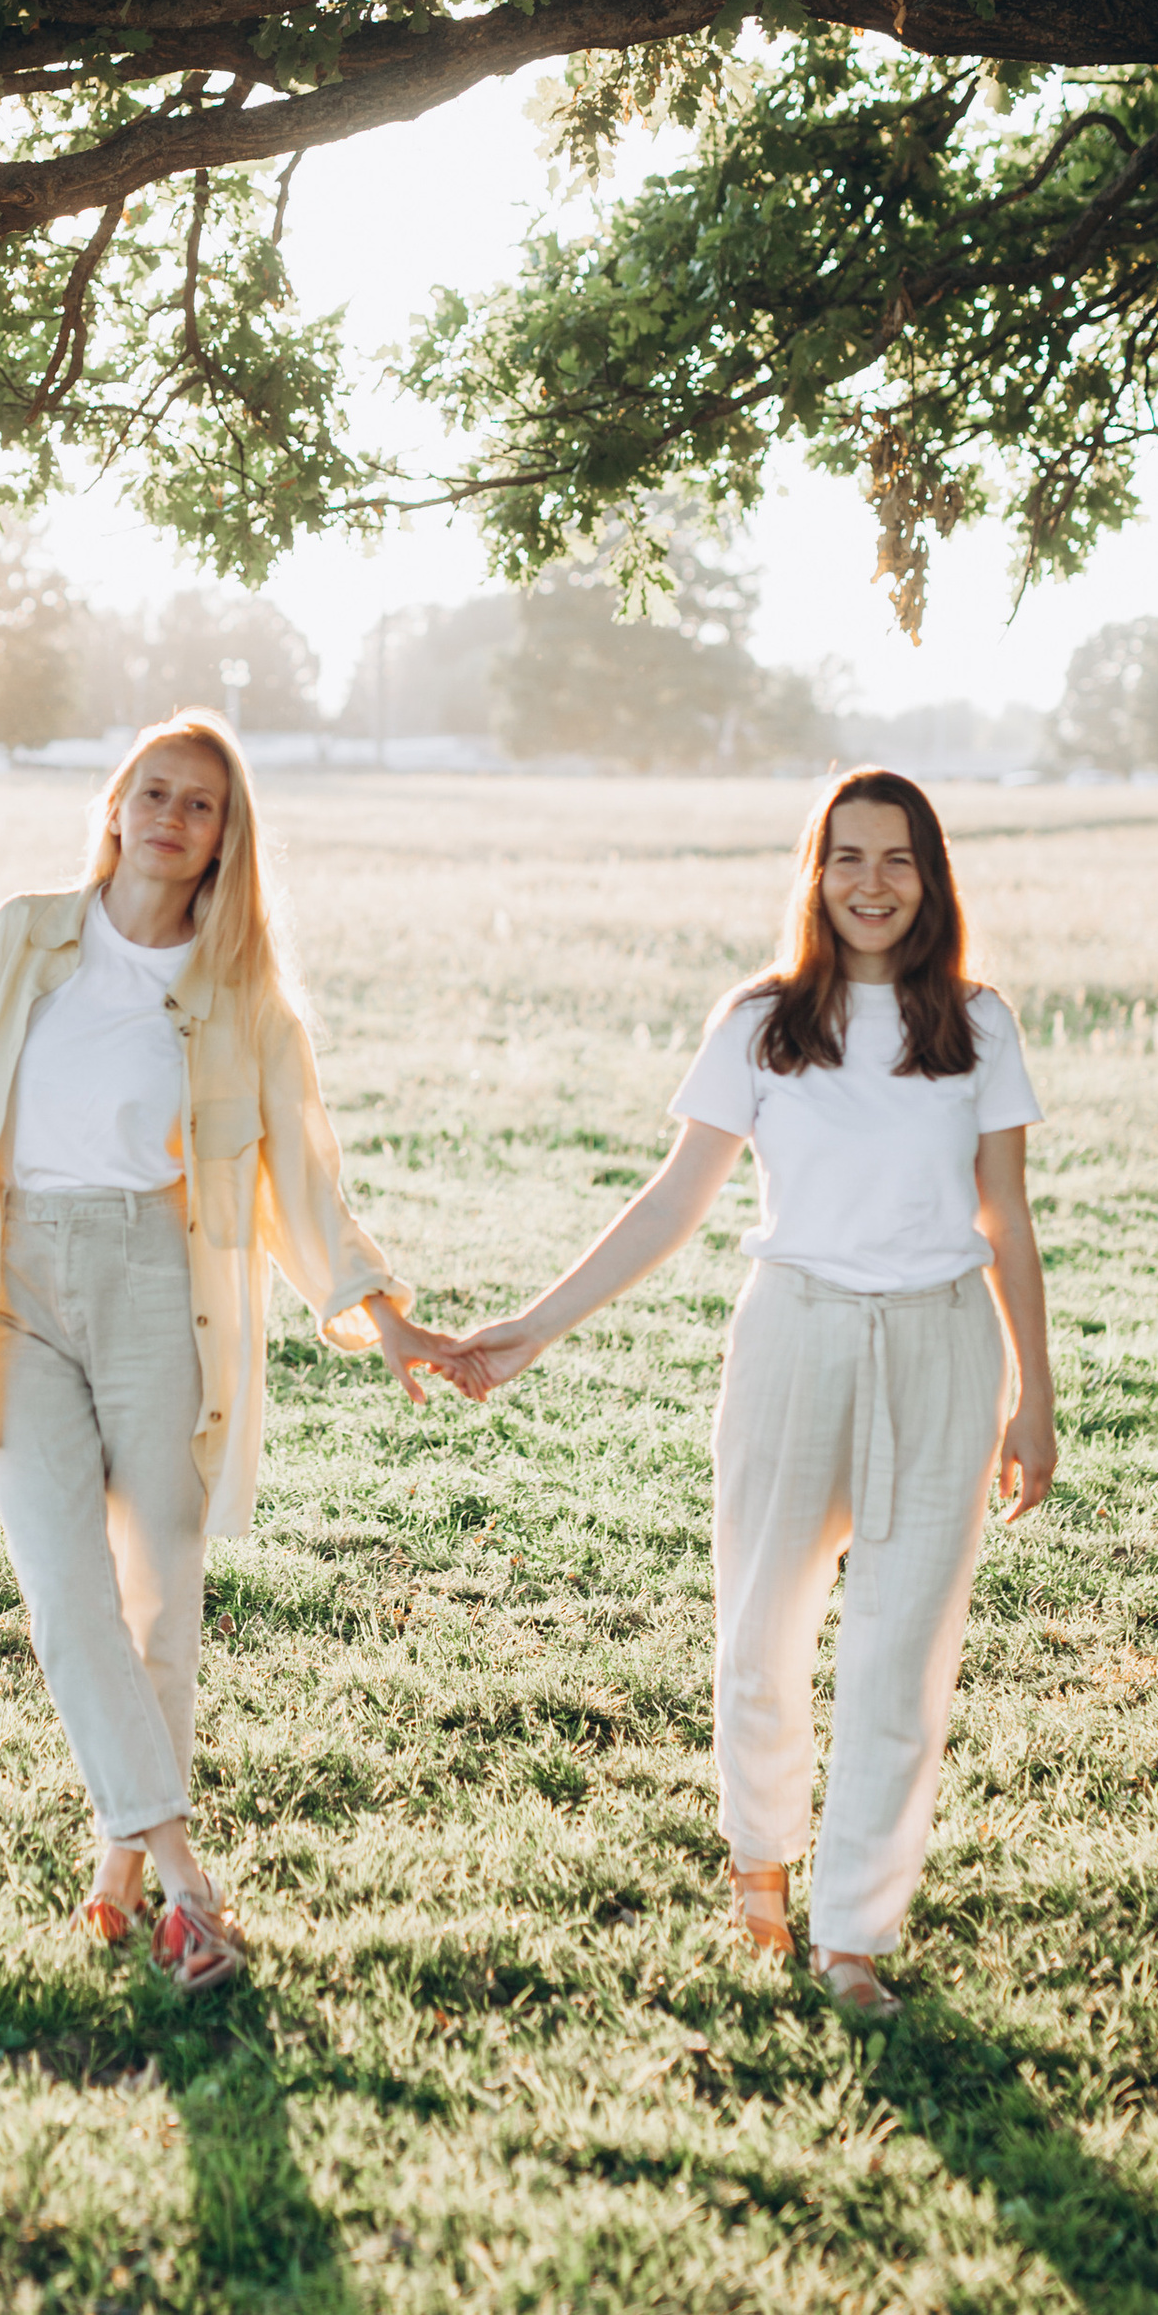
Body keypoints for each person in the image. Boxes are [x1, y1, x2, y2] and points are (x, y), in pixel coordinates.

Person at [443, 769, 1055, 2013]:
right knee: (762, 1631)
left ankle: (852, 1939)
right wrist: (534, 1326)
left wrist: (1033, 1397)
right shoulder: (761, 1021)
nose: (870, 883)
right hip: (795, 1340)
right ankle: (759, 1882)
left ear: (931, 879)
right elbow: (674, 1203)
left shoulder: (979, 1025)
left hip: (943, 1349)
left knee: (901, 1653)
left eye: (896, 860)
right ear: (813, 876)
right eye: (846, 859)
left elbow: (1007, 1219)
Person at [0, 715, 451, 1990]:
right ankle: (190, 1880)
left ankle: (122, 1873)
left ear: (221, 840)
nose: (171, 817)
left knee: (159, 1603)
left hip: (156, 1293)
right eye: (154, 792)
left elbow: (303, 1182)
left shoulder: (240, 997)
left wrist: (385, 1318)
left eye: (199, 806)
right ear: (117, 805)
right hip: (11, 1285)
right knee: (66, 1594)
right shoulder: (23, 938)